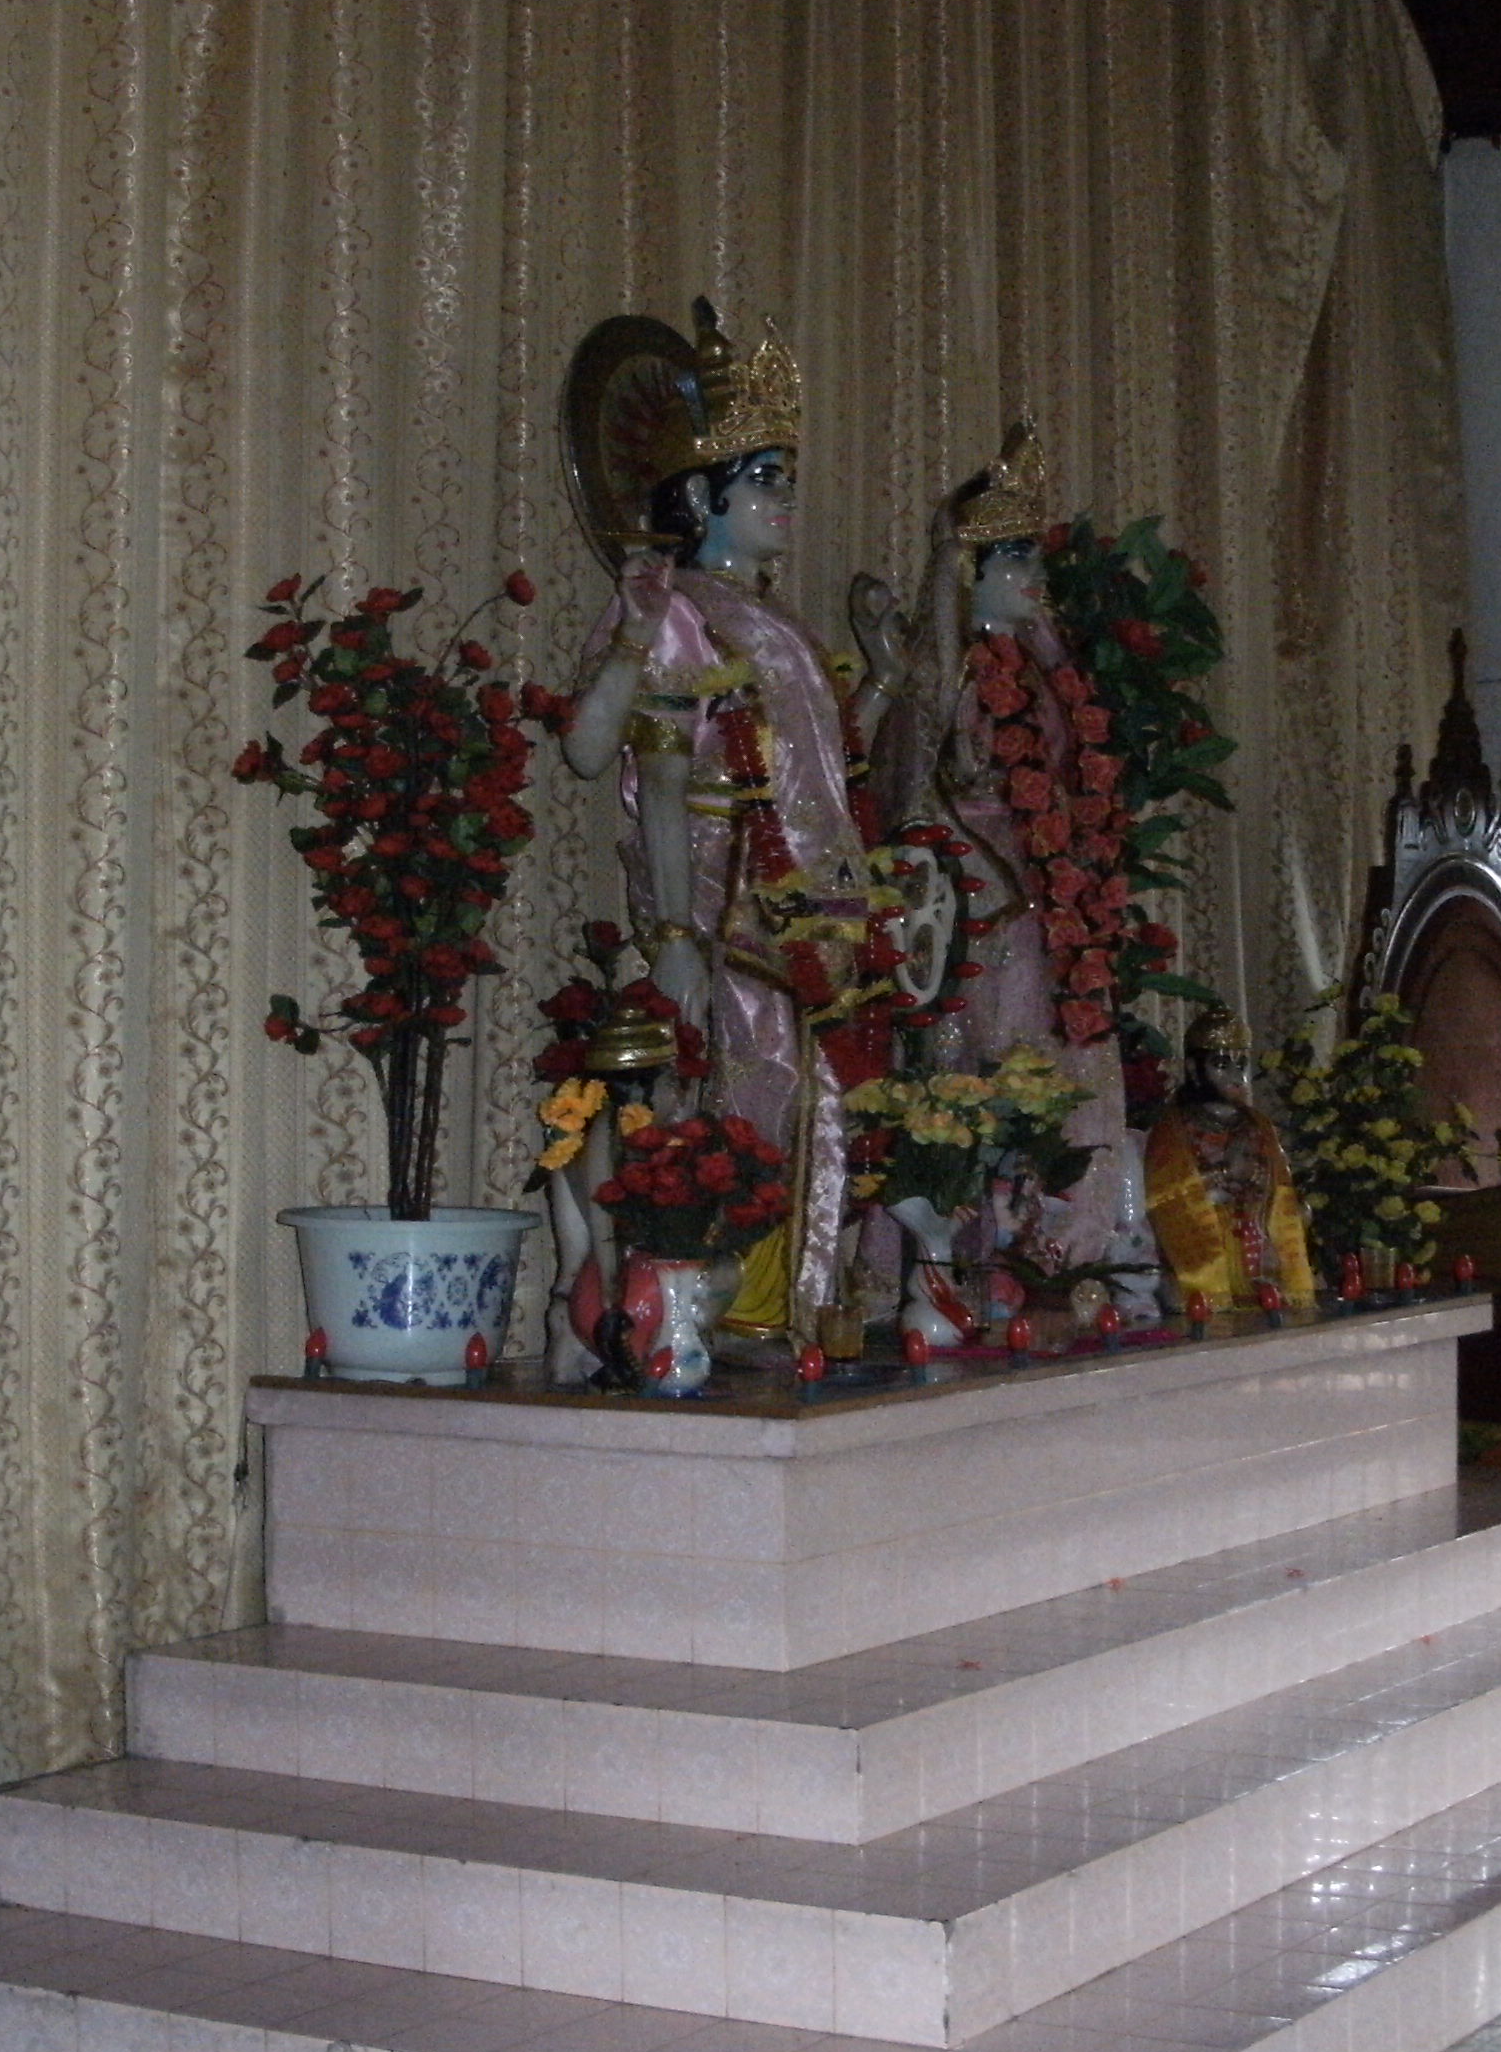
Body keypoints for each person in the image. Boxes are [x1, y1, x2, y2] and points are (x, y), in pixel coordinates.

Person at [559, 302, 896, 1345]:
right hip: (719, 899)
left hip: (814, 906)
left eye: (788, 477)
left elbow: (825, 774)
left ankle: (797, 1309)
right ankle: (724, 1317)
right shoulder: (676, 609)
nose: (785, 500)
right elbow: (608, 759)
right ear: (701, 495)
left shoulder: (777, 623)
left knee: (822, 1109)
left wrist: (880, 678)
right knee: (755, 1092)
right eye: (764, 480)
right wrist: (670, 939)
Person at [869, 422, 1130, 1270]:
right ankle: (968, 1258)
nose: (1033, 578)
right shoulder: (944, 674)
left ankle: (1052, 1252)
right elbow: (909, 793)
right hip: (982, 910)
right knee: (978, 1073)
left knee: (1053, 1068)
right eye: (1012, 560)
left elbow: (1074, 785)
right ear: (969, 574)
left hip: (1050, 907)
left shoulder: (1051, 672)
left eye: (1033, 559)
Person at [1144, 1005, 1314, 1309]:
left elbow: (1282, 1196)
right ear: (1195, 1069)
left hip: (1259, 1254)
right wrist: (1224, 1173)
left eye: (1242, 1064)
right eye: (1222, 1064)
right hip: (1205, 1260)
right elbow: (1164, 1202)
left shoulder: (1258, 1124)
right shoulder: (1174, 1129)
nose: (1237, 1076)